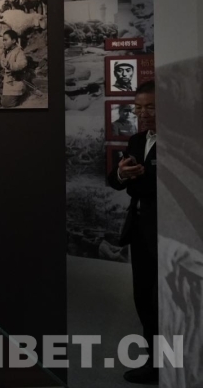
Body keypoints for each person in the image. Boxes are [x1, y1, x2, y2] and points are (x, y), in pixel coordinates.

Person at [107, 81, 157, 385]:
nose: (143, 113)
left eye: (150, 107)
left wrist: (138, 181)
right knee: (144, 298)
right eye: (138, 108)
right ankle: (156, 362)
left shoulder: (183, 140)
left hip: (170, 233)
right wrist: (121, 175)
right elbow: (114, 181)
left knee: (166, 300)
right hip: (139, 231)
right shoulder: (137, 141)